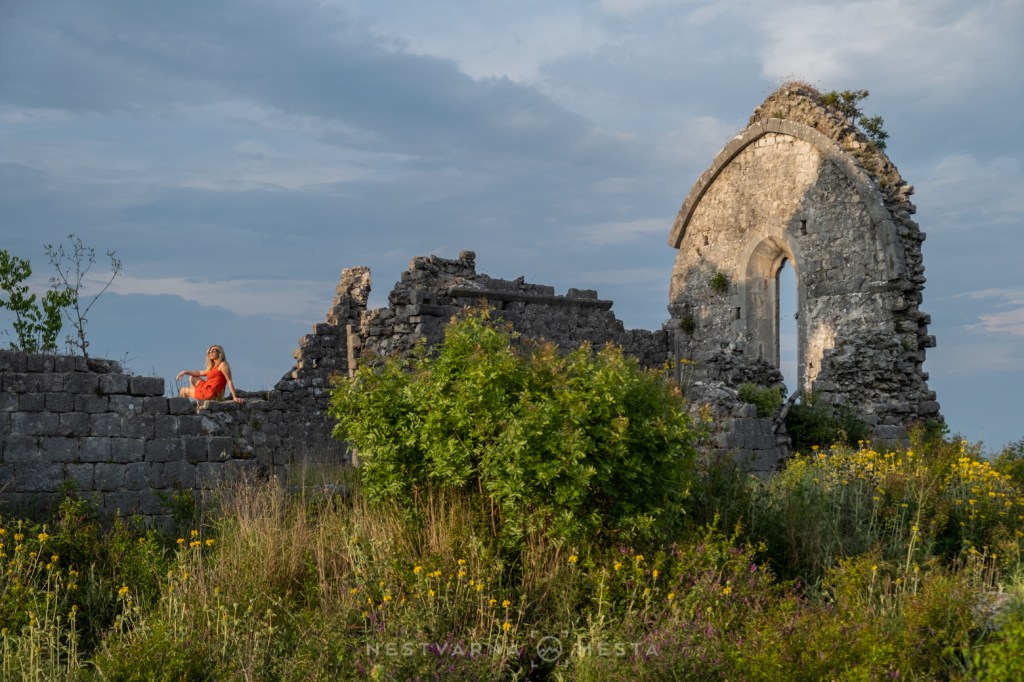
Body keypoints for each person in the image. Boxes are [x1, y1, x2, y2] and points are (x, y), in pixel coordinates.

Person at [176, 344, 245, 403]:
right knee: (192, 377)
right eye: (209, 352)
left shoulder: (223, 365)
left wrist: (234, 397)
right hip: (208, 389)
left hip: (211, 393)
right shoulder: (212, 368)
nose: (211, 353)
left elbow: (229, 381)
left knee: (183, 390)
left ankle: (182, 410)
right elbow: (198, 373)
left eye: (213, 351)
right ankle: (198, 397)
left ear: (220, 353)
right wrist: (185, 372)